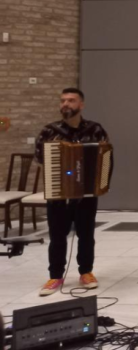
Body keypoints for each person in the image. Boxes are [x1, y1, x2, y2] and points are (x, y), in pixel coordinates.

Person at [35, 88, 110, 296]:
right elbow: (39, 158)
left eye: (71, 100)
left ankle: (86, 272)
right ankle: (55, 276)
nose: (65, 104)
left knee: (86, 235)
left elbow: (105, 155)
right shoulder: (49, 131)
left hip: (86, 193)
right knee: (57, 236)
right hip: (59, 192)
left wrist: (101, 179)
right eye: (63, 101)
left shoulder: (95, 129)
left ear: (81, 105)